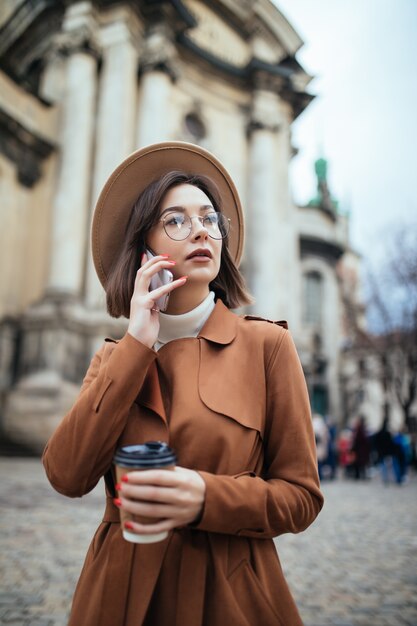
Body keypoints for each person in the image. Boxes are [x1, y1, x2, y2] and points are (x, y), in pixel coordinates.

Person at [43, 141, 324, 626]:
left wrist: (205, 496)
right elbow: (67, 475)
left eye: (210, 219)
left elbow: (301, 498)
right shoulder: (114, 356)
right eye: (176, 219)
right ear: (145, 247)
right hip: (119, 597)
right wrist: (137, 343)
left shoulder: (266, 346)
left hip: (230, 594)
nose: (200, 230)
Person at [351, 416, 371, 480]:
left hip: (360, 450)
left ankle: (360, 475)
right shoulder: (360, 430)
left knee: (361, 464)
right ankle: (359, 475)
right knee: (360, 464)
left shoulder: (360, 430)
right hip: (360, 450)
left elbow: (359, 440)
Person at [312, 413, 329, 480]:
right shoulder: (321, 425)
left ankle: (318, 476)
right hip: (318, 445)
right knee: (319, 461)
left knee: (317, 461)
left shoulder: (314, 423)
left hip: (317, 445)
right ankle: (319, 476)